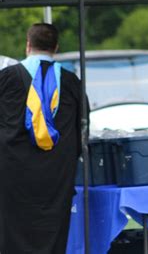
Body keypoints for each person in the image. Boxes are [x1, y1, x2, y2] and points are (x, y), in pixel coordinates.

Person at [0, 23, 86, 254]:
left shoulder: (6, 78)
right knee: (53, 233)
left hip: (12, 174)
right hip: (57, 175)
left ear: (28, 45)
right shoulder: (72, 82)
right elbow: (83, 127)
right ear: (56, 47)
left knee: (12, 231)